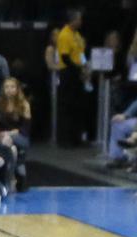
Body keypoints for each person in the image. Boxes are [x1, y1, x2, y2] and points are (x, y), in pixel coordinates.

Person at [56, 9, 90, 146]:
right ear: (73, 20)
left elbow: (80, 53)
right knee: (67, 107)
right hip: (68, 73)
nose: (81, 22)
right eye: (79, 19)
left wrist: (85, 66)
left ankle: (76, 138)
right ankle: (65, 140)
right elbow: (65, 57)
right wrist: (78, 69)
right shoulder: (64, 35)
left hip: (78, 73)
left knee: (77, 107)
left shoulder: (77, 35)